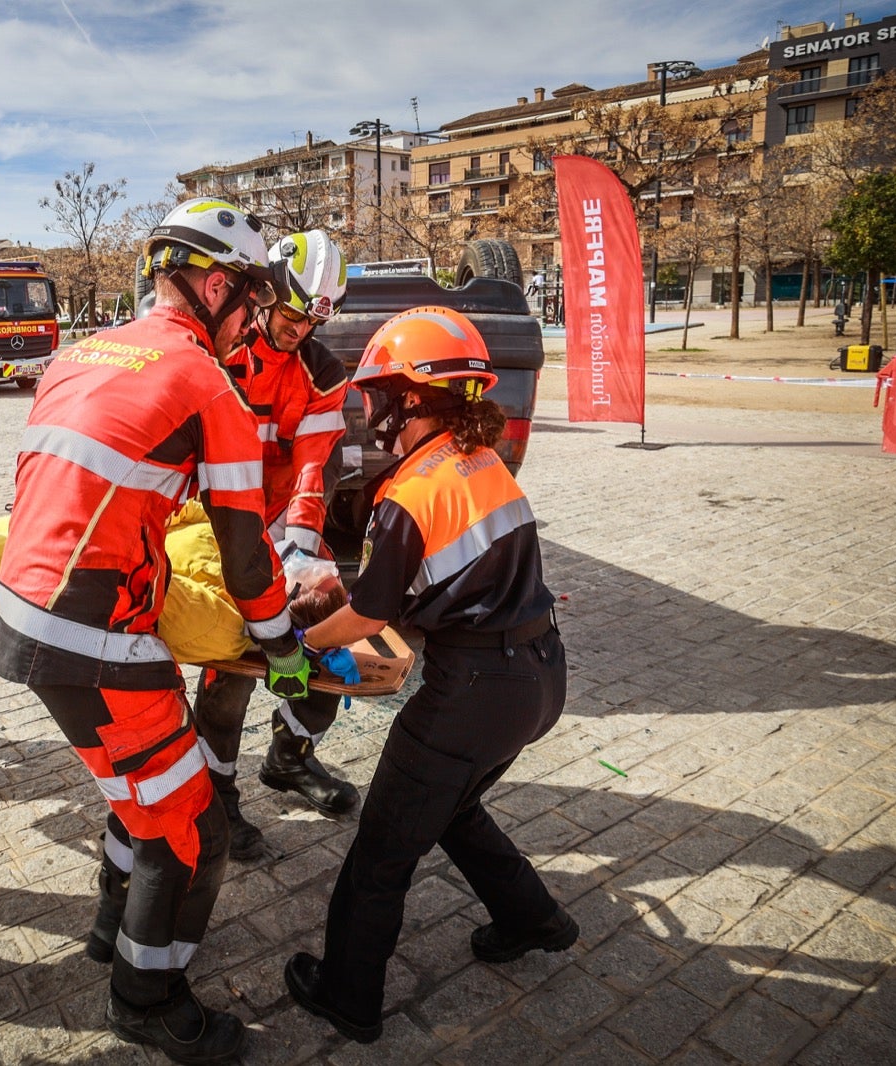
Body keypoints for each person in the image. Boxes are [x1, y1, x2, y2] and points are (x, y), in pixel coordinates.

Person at [0, 197, 311, 1063]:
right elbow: (249, 565)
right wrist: (283, 653)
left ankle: (108, 926)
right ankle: (147, 997)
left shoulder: (81, 352)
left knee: (142, 791)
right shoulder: (211, 384)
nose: (255, 322)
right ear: (213, 286)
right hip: (92, 637)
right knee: (191, 827)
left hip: (25, 614)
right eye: (251, 301)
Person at [283, 306, 573, 1044]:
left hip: (472, 693)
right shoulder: (483, 465)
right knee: (451, 809)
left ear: (413, 400)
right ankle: (533, 918)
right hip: (540, 678)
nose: (371, 409)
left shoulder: (409, 492)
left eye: (379, 395)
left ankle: (347, 995)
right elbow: (421, 582)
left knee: (382, 849)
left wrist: (295, 643)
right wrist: (346, 593)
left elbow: (369, 615)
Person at [192, 229, 355, 860]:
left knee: (322, 634)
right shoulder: (216, 353)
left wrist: (305, 552)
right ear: (267, 294)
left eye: (314, 318)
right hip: (213, 524)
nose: (299, 329)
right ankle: (218, 798)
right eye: (292, 313)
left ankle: (290, 757)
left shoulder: (321, 371)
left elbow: (314, 465)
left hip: (282, 521)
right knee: (231, 666)